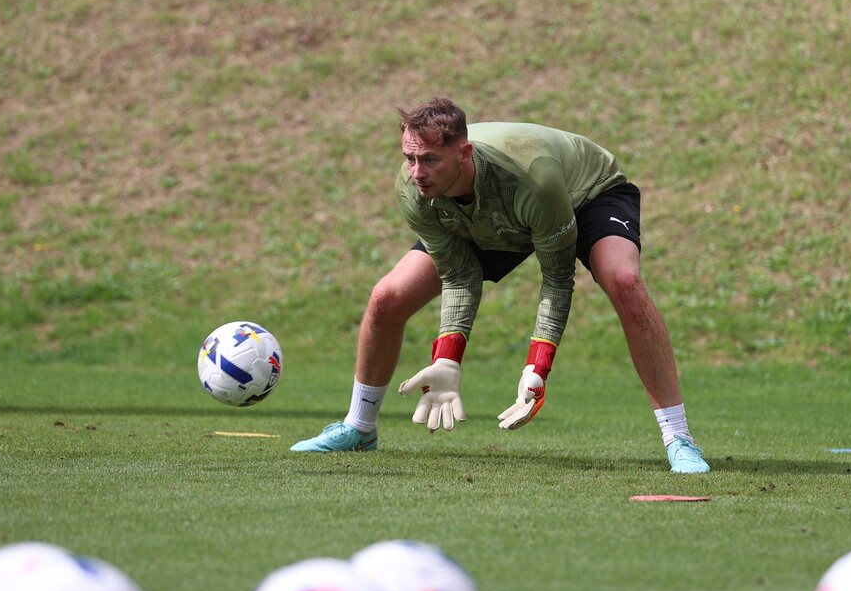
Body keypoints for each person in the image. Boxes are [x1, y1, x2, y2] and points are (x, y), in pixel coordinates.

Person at [291, 98, 709, 473]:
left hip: (584, 192)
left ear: (464, 153)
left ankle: (679, 438)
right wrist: (447, 359)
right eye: (410, 158)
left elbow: (557, 279)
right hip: (490, 215)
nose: (417, 172)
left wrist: (537, 367)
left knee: (624, 282)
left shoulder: (532, 180)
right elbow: (459, 274)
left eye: (430, 159)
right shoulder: (416, 188)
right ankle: (359, 426)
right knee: (386, 297)